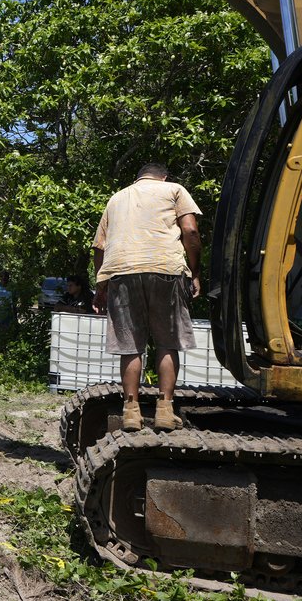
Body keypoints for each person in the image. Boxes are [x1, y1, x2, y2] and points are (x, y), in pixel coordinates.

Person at [92, 162, 202, 432]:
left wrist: (101, 285)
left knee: (130, 345)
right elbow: (190, 231)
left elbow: (98, 246)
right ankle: (165, 410)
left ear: (138, 178)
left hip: (121, 272)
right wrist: (195, 272)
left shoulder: (116, 198)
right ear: (163, 176)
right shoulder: (174, 190)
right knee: (167, 342)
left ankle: (131, 412)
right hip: (165, 269)